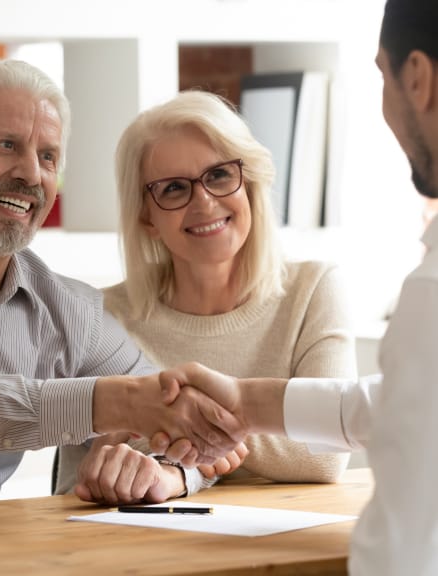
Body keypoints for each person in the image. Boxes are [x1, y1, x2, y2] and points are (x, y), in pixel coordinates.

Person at [156, 1, 438, 573]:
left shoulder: (419, 291)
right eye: (171, 187)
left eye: (382, 77)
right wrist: (244, 403)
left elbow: (406, 547)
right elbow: (391, 405)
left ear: (418, 79)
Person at [0, 58, 245, 508]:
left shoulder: (70, 311)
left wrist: (167, 469)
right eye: (6, 145)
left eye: (48, 156)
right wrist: (114, 403)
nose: (31, 174)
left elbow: (163, 406)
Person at [55, 89, 357, 503]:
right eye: (175, 188)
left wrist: (180, 451)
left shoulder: (314, 291)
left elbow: (325, 452)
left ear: (249, 182)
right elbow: (77, 483)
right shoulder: (99, 317)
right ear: (146, 215)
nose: (204, 202)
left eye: (218, 175)